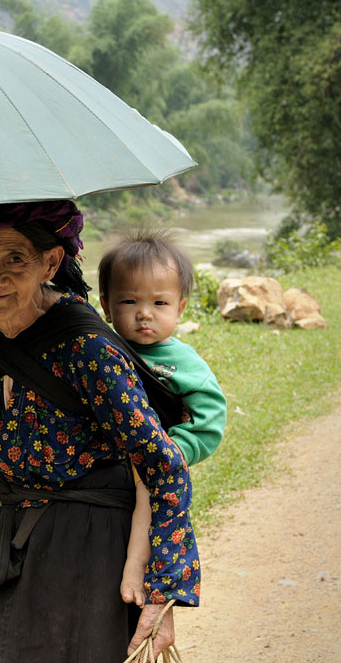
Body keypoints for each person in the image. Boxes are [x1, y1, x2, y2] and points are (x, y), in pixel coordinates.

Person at [0, 201, 199, 662]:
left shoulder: (86, 348)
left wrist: (160, 591)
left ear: (50, 262)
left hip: (88, 546)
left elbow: (163, 464)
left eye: (14, 258)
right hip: (5, 541)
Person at [98, 229, 226, 606]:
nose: (144, 314)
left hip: (154, 460)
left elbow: (210, 419)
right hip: (109, 461)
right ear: (105, 305)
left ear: (180, 308)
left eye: (159, 303)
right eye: (129, 301)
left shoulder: (184, 363)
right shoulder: (101, 348)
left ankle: (136, 572)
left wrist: (172, 450)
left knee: (147, 497)